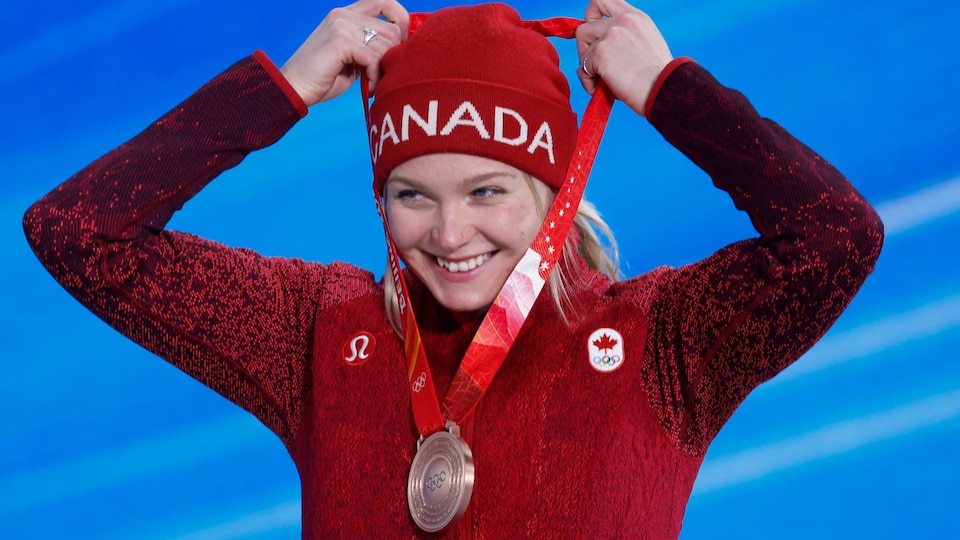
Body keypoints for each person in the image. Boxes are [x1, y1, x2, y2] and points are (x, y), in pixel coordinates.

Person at [22, 0, 884, 537]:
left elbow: (837, 238)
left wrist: (669, 88)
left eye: (485, 190)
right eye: (411, 194)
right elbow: (76, 230)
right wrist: (283, 89)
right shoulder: (317, 334)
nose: (448, 233)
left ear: (555, 187)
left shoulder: (662, 342)